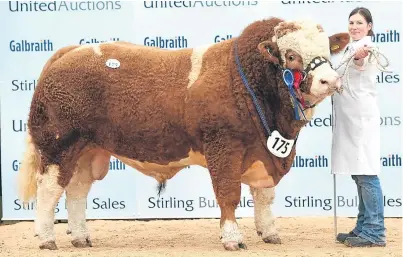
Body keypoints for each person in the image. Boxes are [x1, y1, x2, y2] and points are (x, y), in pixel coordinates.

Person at [331, 7, 386, 247]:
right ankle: (363, 226)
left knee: (367, 173)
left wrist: (359, 57)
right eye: (351, 22)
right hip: (349, 118)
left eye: (359, 22)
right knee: (358, 174)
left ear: (369, 26)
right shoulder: (348, 47)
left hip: (361, 118)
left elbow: (362, 61)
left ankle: (375, 232)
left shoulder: (368, 48)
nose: (354, 26)